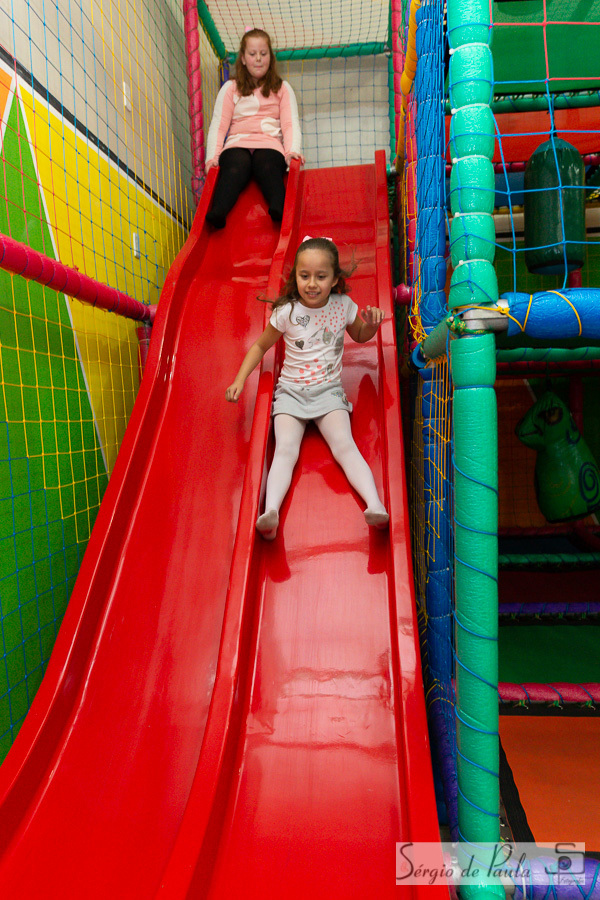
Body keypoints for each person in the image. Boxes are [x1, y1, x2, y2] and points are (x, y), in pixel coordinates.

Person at [226, 237, 389, 540]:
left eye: (321, 276)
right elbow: (261, 346)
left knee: (344, 446)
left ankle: (374, 505)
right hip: (290, 392)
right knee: (285, 450)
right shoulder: (287, 312)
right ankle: (270, 513)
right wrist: (239, 379)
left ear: (335, 279)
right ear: (296, 276)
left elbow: (362, 336)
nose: (312, 284)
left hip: (328, 393)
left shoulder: (344, 307)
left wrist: (371, 325)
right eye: (304, 276)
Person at [205, 28, 304, 229]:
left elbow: (290, 123)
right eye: (252, 54)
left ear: (270, 57)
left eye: (263, 53)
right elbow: (219, 124)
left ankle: (279, 206)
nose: (258, 59)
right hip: (237, 142)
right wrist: (211, 158)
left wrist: (292, 151)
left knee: (267, 165)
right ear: (242, 58)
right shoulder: (231, 88)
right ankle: (219, 211)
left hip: (268, 143)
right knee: (234, 167)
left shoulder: (282, 88)